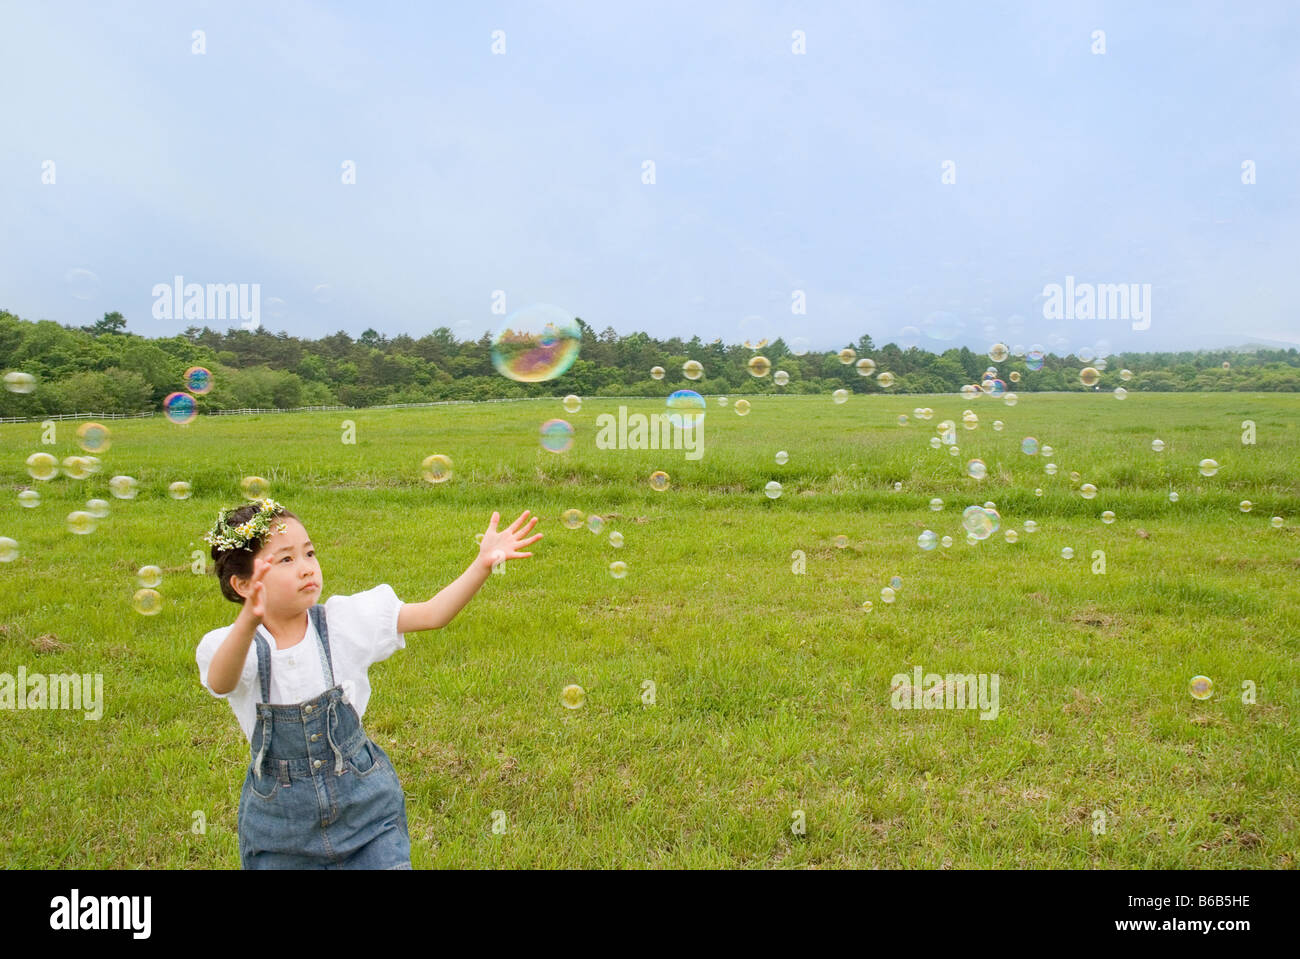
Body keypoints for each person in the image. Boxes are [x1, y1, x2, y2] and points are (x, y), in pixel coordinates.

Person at [195, 497, 541, 868]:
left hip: (366, 816)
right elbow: (221, 680)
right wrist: (248, 622)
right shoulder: (232, 646)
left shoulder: (343, 622)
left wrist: (482, 564)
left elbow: (433, 614)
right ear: (244, 584)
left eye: (309, 553)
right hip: (282, 835)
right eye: (286, 559)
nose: (306, 568)